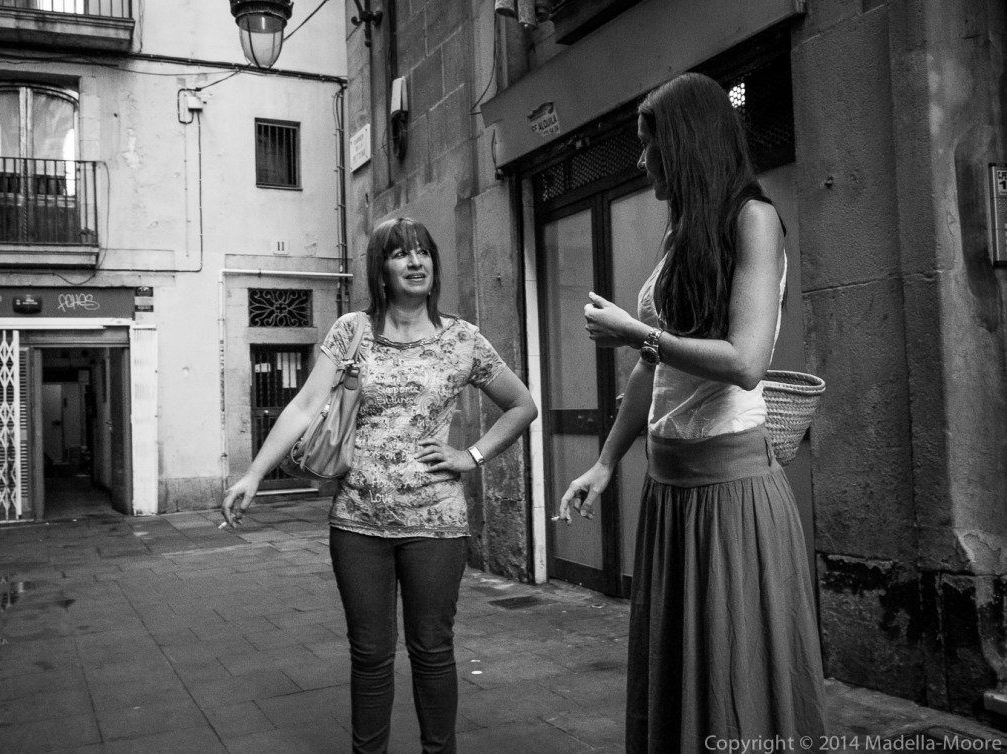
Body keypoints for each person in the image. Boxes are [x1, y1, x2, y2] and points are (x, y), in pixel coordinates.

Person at [557, 72, 827, 753]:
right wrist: (605, 461)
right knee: (682, 679)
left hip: (731, 495)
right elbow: (656, 373)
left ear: (687, 143)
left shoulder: (754, 219)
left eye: (651, 146)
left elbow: (745, 360)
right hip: (671, 494)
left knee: (733, 680)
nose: (642, 162)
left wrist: (637, 331)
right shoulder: (682, 233)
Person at [222, 216, 537, 754]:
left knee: (432, 649)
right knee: (369, 654)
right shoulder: (353, 331)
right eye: (400, 254)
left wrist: (471, 455)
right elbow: (304, 406)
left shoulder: (462, 339)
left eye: (423, 253)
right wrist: (253, 472)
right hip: (358, 523)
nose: (415, 262)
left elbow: (522, 405)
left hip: (436, 523)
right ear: (382, 269)